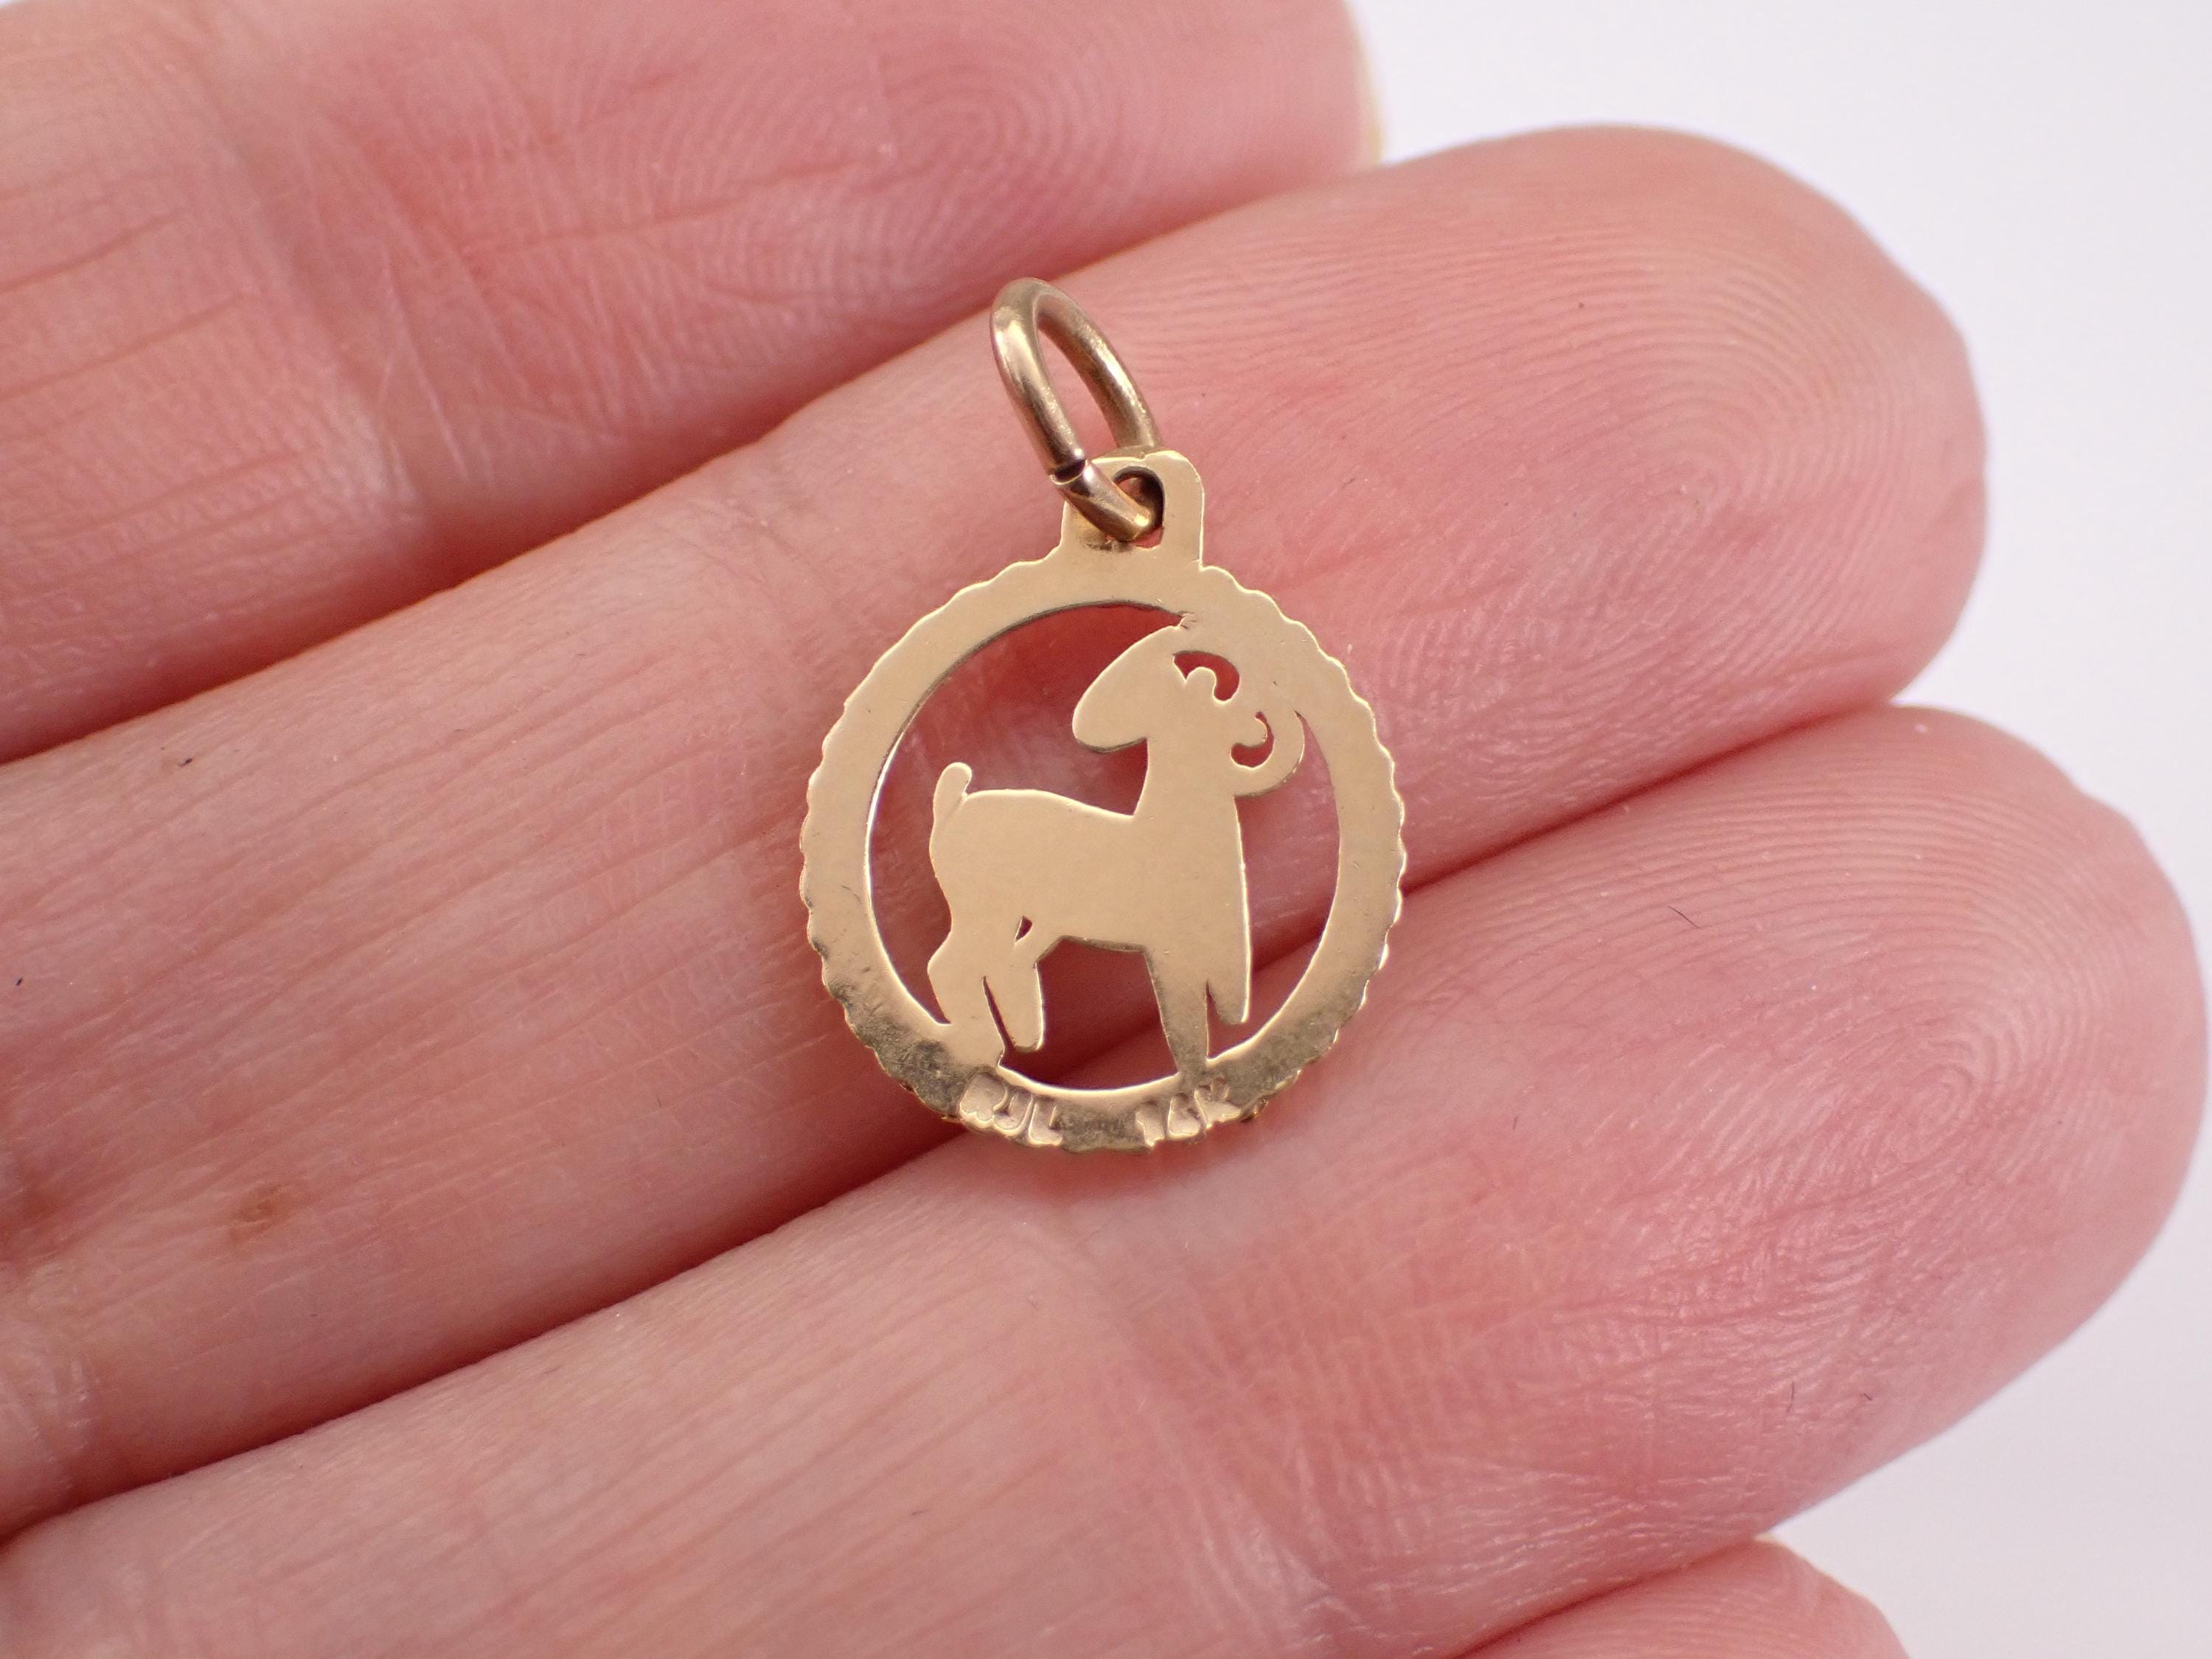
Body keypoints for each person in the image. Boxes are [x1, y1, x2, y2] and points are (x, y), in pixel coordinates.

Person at [0, 0, 2199, 1652]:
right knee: (1064, 939)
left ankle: (1023, 993)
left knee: (1166, 945)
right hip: (1014, 867)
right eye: (1206, 715)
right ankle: (996, 991)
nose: (1234, 741)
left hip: (1055, 865)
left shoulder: (1194, 758)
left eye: (1224, 722)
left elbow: (1219, 912)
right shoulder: (1114, 766)